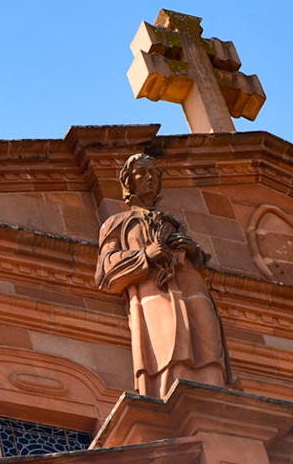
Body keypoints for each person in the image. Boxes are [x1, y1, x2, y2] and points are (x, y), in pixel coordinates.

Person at [94, 152, 230, 396]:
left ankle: (216, 397)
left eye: (154, 174)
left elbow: (200, 263)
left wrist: (192, 251)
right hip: (153, 293)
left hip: (193, 288)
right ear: (128, 180)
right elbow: (106, 268)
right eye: (141, 173)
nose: (149, 178)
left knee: (209, 347)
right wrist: (145, 255)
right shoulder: (118, 223)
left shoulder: (174, 223)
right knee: (167, 347)